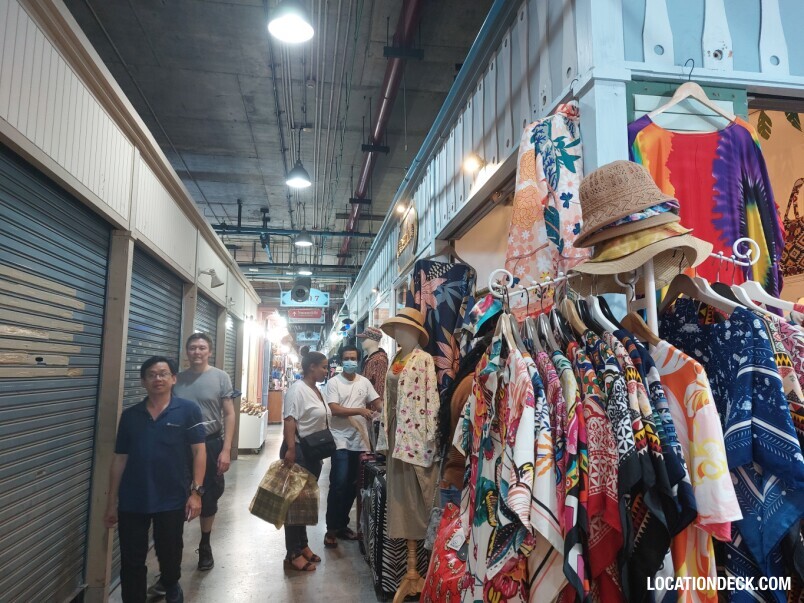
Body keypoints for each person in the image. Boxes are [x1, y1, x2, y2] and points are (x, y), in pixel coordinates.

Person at [104, 356, 206, 603]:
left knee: (169, 552)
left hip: (171, 496)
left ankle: (171, 583)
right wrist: (111, 502)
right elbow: (120, 459)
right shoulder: (130, 416)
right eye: (151, 375)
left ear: (173, 379)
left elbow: (198, 451)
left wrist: (196, 493)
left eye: (163, 374)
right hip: (133, 499)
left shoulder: (188, 410)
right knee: (131, 560)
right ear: (143, 381)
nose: (157, 378)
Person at [172, 332, 234, 572]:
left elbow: (229, 414)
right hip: (181, 446)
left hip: (210, 443)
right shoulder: (177, 379)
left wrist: (226, 450)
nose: (197, 352)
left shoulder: (220, 377)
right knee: (176, 495)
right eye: (192, 348)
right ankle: (172, 552)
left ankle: (205, 544)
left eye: (201, 348)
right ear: (186, 351)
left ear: (209, 351)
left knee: (208, 495)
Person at [324, 345, 381, 548]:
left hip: (360, 441)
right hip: (340, 440)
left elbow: (377, 401)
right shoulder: (333, 383)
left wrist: (387, 411)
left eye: (353, 358)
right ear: (341, 360)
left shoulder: (364, 382)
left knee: (352, 485)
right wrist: (360, 410)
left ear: (358, 359)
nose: (350, 361)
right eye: (346, 358)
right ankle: (331, 529)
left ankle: (342, 525)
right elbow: (334, 409)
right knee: (338, 483)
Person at [281, 350, 331, 571]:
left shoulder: (316, 390)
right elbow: (289, 420)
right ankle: (292, 553)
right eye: (323, 367)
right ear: (312, 367)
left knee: (304, 503)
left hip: (312, 452)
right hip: (298, 450)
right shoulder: (297, 390)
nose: (326, 370)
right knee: (294, 504)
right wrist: (291, 449)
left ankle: (302, 545)